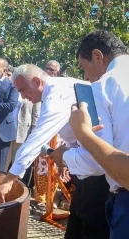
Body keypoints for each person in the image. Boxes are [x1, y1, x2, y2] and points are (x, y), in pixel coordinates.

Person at [0, 64, 112, 238]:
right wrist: (67, 150)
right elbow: (78, 131)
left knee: (90, 228)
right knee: (76, 223)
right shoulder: (55, 90)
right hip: (87, 168)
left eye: (23, 90)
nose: (23, 97)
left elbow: (37, 138)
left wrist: (9, 180)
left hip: (99, 171)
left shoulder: (57, 93)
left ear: (36, 81)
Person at [53, 29, 129, 239]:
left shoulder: (103, 86)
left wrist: (64, 156)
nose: (85, 76)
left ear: (97, 56)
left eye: (84, 68)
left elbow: (94, 162)